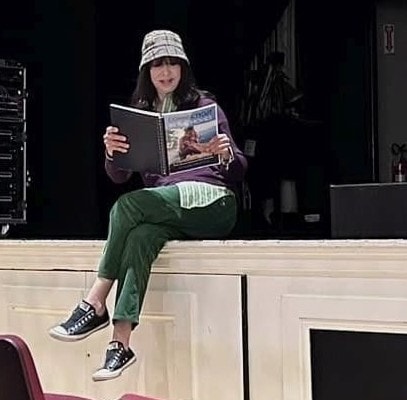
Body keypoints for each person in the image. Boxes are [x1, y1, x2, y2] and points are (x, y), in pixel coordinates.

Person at [48, 29, 247, 382]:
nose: (166, 72)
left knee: (127, 207)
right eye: (158, 64)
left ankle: (95, 301)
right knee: (140, 236)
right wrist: (111, 152)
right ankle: (120, 344)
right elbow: (120, 175)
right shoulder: (139, 113)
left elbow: (238, 169)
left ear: (183, 67)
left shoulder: (204, 106)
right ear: (146, 70)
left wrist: (224, 152)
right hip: (168, 207)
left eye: (173, 63)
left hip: (213, 203)